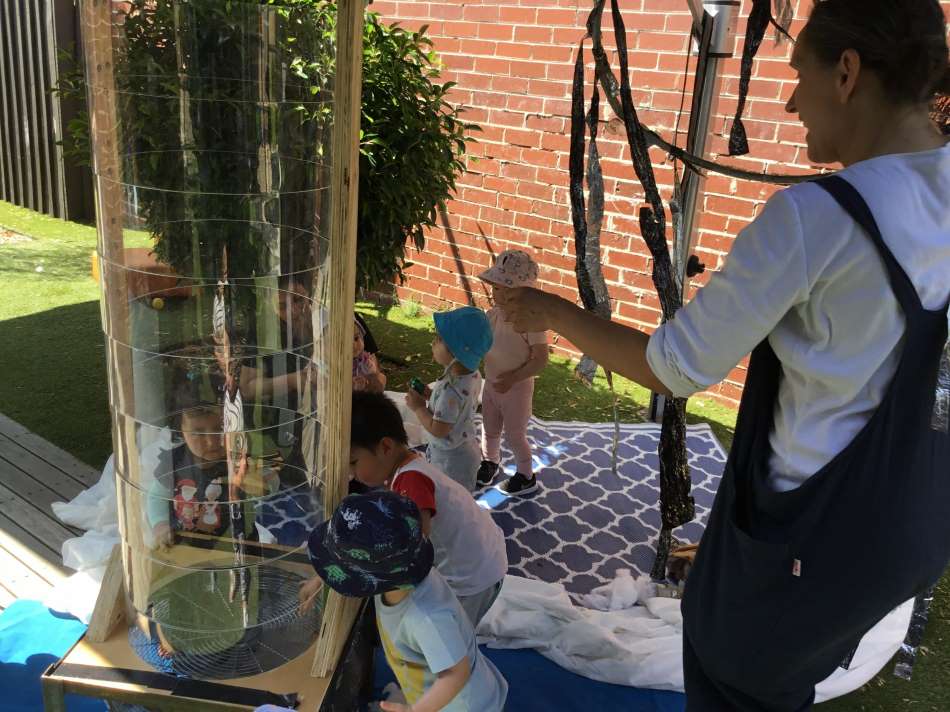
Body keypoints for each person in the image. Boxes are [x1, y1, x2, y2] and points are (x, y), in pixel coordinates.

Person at [501, 1, 950, 708]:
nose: (789, 99)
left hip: (804, 540)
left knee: (733, 677)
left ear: (847, 72)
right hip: (908, 528)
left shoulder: (820, 217)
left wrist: (550, 310)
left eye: (799, 74)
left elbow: (676, 367)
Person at [305, 490, 508, 711]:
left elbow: (456, 674)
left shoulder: (426, 618)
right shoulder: (401, 572)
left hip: (462, 705)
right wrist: (321, 578)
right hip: (432, 685)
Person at [350, 391, 508, 627]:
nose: (351, 473)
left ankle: (464, 661)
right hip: (483, 558)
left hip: (473, 577)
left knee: (453, 641)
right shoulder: (409, 464)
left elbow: (413, 544)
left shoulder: (411, 480)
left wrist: (365, 567)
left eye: (353, 463)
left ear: (385, 447)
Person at [475, 250, 550, 495]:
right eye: (497, 289)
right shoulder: (493, 316)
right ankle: (490, 462)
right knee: (489, 427)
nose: (500, 295)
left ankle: (526, 475)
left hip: (517, 388)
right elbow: (482, 343)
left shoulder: (531, 321)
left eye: (508, 291)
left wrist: (514, 378)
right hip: (492, 383)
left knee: (516, 434)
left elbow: (540, 360)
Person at [405, 307, 493, 491]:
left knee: (451, 500)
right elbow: (457, 406)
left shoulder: (451, 389)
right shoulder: (472, 375)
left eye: (438, 339)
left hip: (450, 461)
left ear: (455, 353)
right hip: (463, 448)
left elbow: (439, 429)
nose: (433, 342)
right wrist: (430, 395)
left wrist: (419, 407)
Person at [353, 315, 386, 392]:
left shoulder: (364, 358)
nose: (354, 345)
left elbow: (380, 383)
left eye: (356, 338)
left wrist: (371, 374)